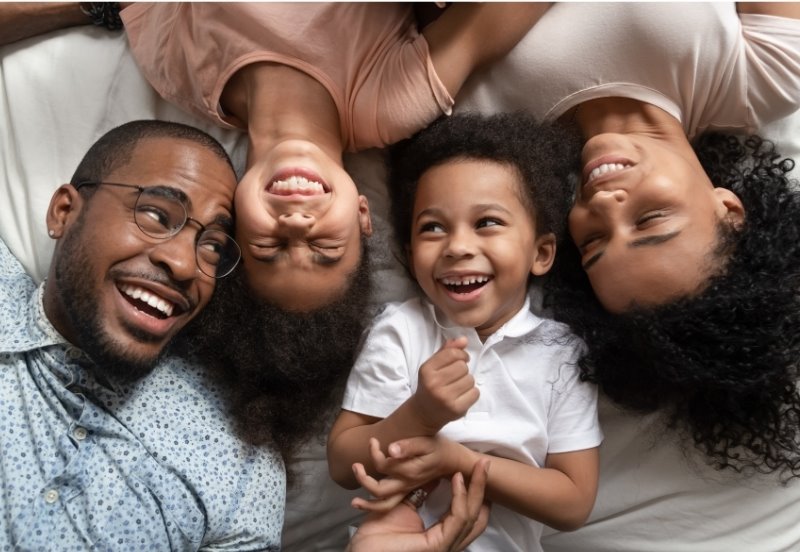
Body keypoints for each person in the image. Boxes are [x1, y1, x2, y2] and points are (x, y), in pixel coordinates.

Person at [445, 2, 800, 549]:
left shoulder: (480, 145)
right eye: (651, 220)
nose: (606, 205)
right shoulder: (774, 74)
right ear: (729, 209)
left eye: (593, 242)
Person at [120, 2, 552, 312]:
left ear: (233, 218)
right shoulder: (389, 99)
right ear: (363, 216)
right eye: (325, 245)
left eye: (269, 246)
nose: (294, 223)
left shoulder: (173, 68)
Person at [0, 119, 291, 549]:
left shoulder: (240, 465)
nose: (185, 265)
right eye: (156, 214)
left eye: (212, 245)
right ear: (64, 212)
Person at [327, 113, 602, 552]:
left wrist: (460, 460)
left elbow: (573, 502)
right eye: (432, 227)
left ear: (542, 252)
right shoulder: (401, 331)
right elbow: (343, 462)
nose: (457, 246)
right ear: (409, 254)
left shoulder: (561, 354)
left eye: (487, 222)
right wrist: (417, 415)